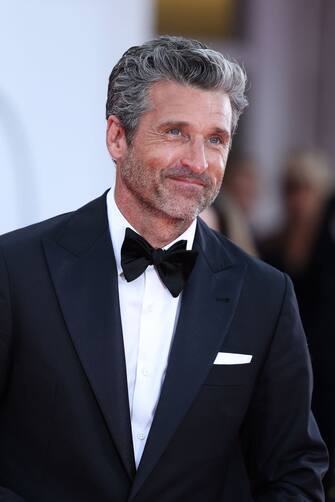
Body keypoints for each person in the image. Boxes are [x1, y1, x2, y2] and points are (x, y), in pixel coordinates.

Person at [0, 36, 328, 502]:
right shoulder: (15, 270)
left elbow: (293, 471)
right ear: (117, 136)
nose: (198, 162)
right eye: (175, 132)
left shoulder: (265, 295)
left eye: (215, 139)